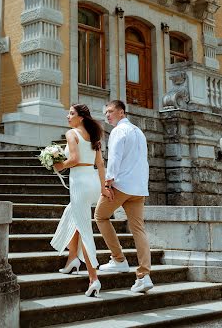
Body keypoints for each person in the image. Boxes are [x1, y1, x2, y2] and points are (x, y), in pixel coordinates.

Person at [94, 100, 153, 294]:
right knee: (138, 229)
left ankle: (118, 258)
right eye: (106, 113)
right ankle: (144, 276)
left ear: (121, 112)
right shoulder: (138, 131)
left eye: (110, 111)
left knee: (100, 216)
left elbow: (115, 158)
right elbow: (142, 160)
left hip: (121, 185)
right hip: (138, 187)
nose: (107, 116)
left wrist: (107, 183)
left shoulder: (119, 131)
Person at [50, 103, 108, 297]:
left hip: (80, 183)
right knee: (71, 214)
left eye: (71, 113)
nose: (68, 116)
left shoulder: (72, 133)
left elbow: (73, 159)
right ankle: (72, 259)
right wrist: (104, 188)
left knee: (85, 230)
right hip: (92, 182)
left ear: (81, 117)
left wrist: (59, 166)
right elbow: (100, 164)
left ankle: (94, 279)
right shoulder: (94, 135)